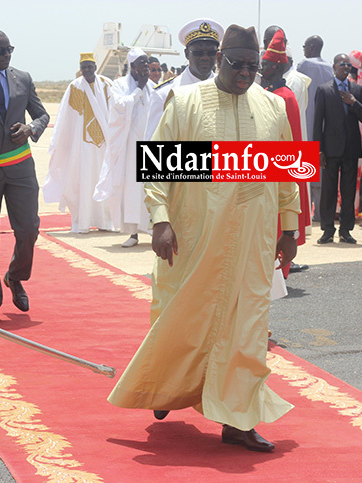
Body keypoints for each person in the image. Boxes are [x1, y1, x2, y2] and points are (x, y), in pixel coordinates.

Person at [108, 24, 300, 453]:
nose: (246, 73)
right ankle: (166, 389)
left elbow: (286, 173)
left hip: (252, 238)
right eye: (238, 64)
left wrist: (289, 228)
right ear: (219, 61)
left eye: (254, 65)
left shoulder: (271, 107)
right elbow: (159, 166)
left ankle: (238, 420)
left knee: (246, 326)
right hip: (194, 236)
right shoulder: (186, 101)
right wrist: (160, 220)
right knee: (184, 317)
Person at [0, 28, 49, 323]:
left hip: (21, 167)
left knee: (29, 229)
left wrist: (31, 129)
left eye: (9, 50)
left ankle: (15, 276)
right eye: (0, 51)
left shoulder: (23, 79)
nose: (6, 56)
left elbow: (41, 115)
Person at [43, 53, 114, 233]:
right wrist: (60, 142)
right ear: (80, 69)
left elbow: (116, 109)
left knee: (102, 180)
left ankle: (105, 221)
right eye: (84, 67)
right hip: (82, 145)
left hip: (103, 144)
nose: (87, 70)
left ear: (95, 67)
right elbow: (65, 118)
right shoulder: (74, 87)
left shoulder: (106, 84)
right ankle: (81, 222)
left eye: (90, 66)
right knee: (82, 182)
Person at [261, 28, 309, 274]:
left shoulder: (286, 97)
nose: (262, 67)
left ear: (278, 67)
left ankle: (282, 269)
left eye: (268, 64)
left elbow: (289, 146)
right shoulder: (267, 93)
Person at [95, 48, 152, 248]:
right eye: (142, 63)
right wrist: (138, 90)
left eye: (147, 63)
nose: (146, 66)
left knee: (150, 189)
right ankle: (133, 234)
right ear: (133, 66)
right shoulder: (119, 85)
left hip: (150, 145)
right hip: (129, 149)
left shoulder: (152, 87)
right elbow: (120, 105)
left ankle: (154, 229)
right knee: (132, 189)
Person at [313, 53, 362, 244]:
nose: (345, 67)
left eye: (348, 64)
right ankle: (327, 230)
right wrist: (318, 150)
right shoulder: (323, 90)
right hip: (330, 149)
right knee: (328, 191)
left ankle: (346, 230)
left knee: (348, 192)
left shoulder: (357, 90)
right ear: (334, 66)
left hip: (350, 148)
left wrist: (353, 103)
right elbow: (317, 122)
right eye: (341, 64)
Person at [146, 18, 224, 141]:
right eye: (198, 52)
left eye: (211, 52)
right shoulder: (164, 94)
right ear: (187, 54)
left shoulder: (225, 90)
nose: (205, 57)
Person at [298, 35, 334, 222]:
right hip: (323, 124)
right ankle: (320, 214)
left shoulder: (303, 65)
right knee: (320, 171)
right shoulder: (330, 68)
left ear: (311, 47)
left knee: (303, 171)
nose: (303, 49)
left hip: (304, 120)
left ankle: (305, 214)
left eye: (305, 46)